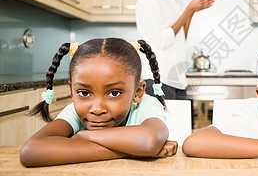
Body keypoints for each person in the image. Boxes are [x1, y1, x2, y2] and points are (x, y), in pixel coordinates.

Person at [20, 38, 177, 167]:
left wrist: (84, 136)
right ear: (72, 91)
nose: (97, 108)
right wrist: (133, 150)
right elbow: (31, 151)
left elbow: (149, 140)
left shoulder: (146, 105)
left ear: (138, 92)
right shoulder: (74, 111)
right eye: (84, 93)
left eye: (114, 93)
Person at [136, 0, 216, 100]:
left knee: (179, 125)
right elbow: (163, 40)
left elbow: (180, 38)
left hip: (177, 80)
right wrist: (188, 10)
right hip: (158, 80)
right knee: (163, 126)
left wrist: (191, 12)